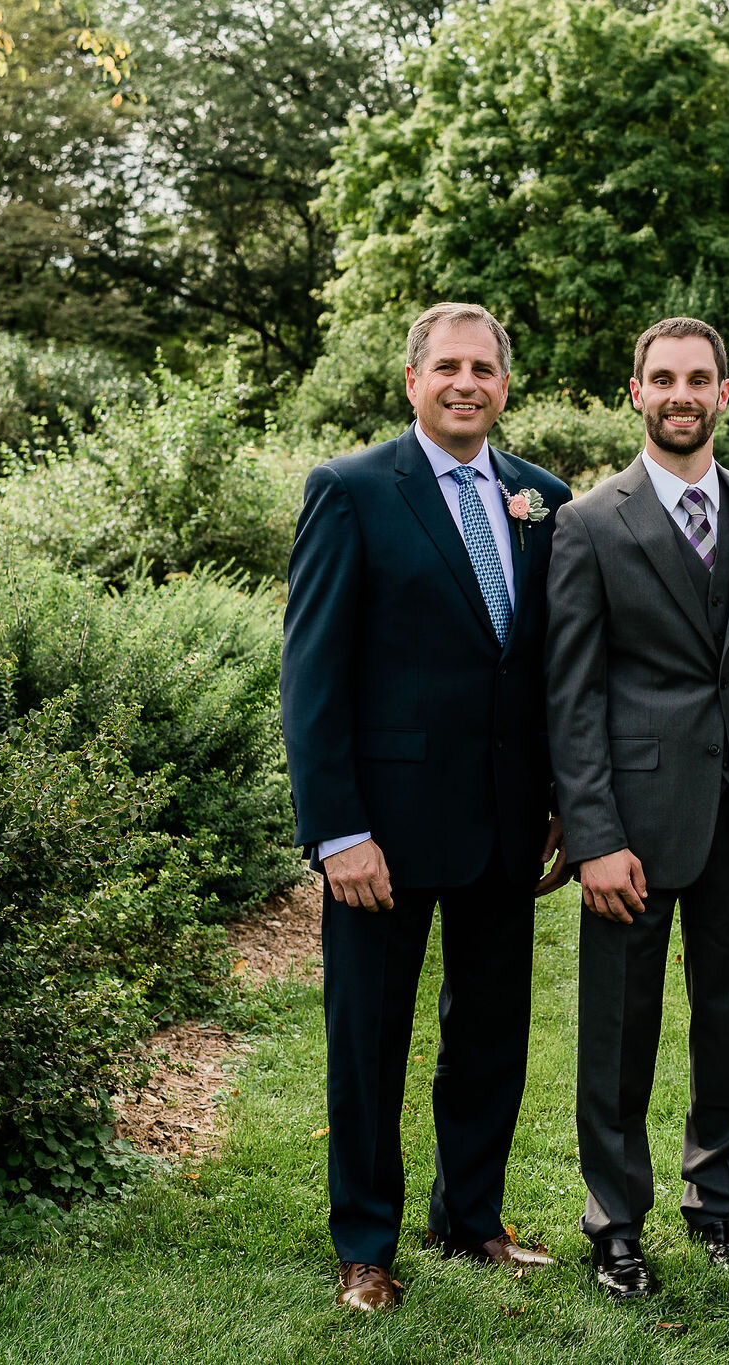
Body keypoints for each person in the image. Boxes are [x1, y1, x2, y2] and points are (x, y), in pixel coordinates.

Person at [280, 302, 571, 1312]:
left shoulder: (542, 499)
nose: (465, 383)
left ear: (502, 384)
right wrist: (337, 832)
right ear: (411, 381)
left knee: (489, 1033)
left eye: (482, 368)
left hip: (502, 821)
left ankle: (470, 1220)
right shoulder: (352, 491)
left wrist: (559, 802)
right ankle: (365, 1243)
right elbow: (310, 676)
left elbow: (546, 672)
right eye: (445, 367)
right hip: (382, 834)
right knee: (369, 1042)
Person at [546, 317, 729, 1299]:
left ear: (724, 393)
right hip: (632, 825)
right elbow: (567, 696)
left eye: (698, 378)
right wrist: (592, 836)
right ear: (635, 393)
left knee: (727, 1021)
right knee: (618, 1031)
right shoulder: (587, 523)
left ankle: (718, 1208)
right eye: (662, 379)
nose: (680, 394)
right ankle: (614, 1227)